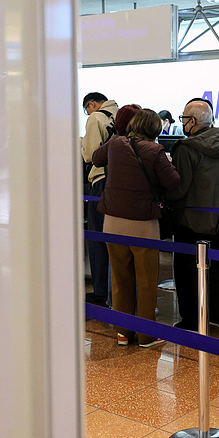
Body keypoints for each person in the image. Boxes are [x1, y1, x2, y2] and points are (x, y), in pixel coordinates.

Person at [92, 109, 180, 347]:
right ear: (155, 129)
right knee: (146, 280)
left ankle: (122, 332)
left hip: (112, 220)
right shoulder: (155, 151)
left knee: (120, 278)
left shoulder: (116, 144)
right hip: (142, 223)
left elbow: (95, 158)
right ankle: (146, 334)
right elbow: (173, 182)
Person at [167, 99, 219, 331]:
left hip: (190, 219)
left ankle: (191, 319)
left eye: (183, 119)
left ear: (192, 121)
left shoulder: (185, 148)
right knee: (217, 265)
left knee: (186, 269)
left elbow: (180, 188)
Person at [82, 92, 119, 306]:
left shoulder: (95, 118)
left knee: (97, 238)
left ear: (92, 104)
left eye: (86, 108)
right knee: (113, 241)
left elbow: (90, 155)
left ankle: (100, 292)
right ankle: (112, 293)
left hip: (100, 181)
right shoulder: (119, 114)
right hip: (116, 181)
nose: (87, 112)